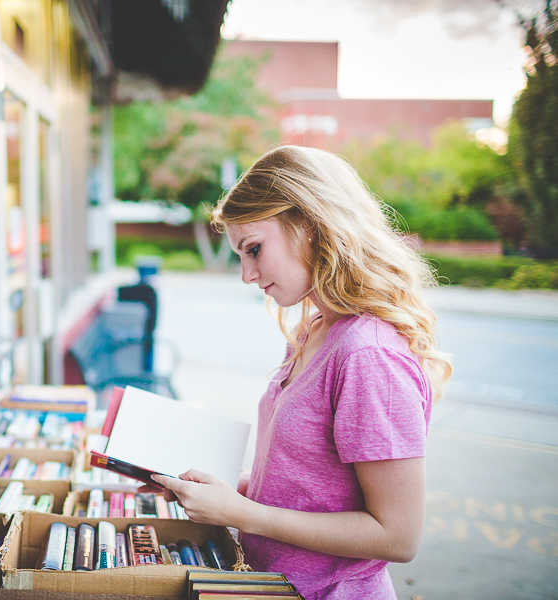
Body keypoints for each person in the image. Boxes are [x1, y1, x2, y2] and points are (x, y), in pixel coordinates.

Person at [148, 145, 453, 600]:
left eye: (254, 249)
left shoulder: (368, 353)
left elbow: (398, 536)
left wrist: (245, 513)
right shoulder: (317, 328)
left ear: (309, 224)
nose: (248, 275)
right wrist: (225, 489)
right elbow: (311, 486)